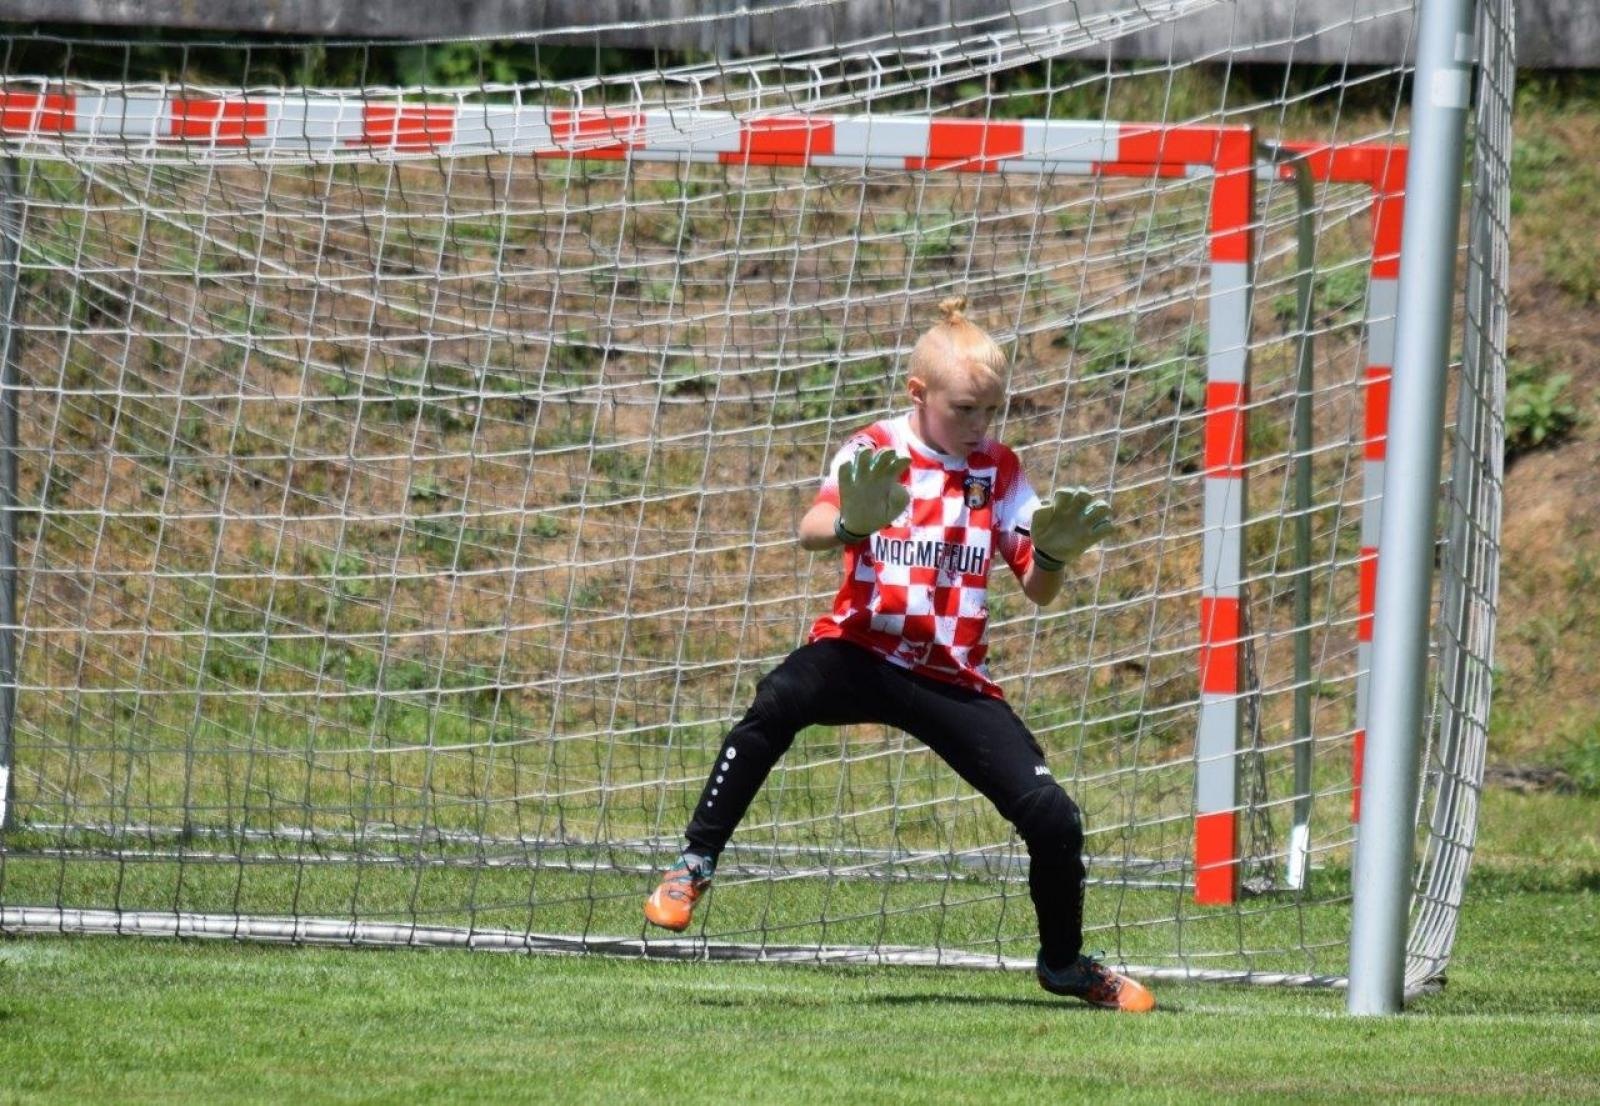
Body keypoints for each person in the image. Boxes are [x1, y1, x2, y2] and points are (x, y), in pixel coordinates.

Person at [642, 296, 1154, 1013]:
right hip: (862, 650)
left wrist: (1057, 554)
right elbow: (812, 527)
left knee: (1054, 818)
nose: (980, 426)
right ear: (919, 395)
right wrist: (852, 521)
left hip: (949, 676)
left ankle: (1064, 965)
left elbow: (1037, 587)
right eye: (966, 409)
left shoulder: (999, 470)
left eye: (990, 412)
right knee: (777, 700)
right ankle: (692, 865)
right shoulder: (874, 449)